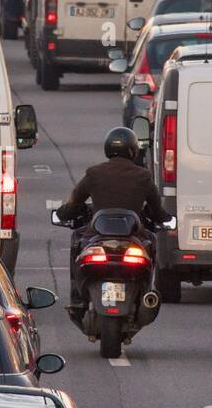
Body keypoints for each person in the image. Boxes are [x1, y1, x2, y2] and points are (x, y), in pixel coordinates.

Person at [58, 128, 165, 312]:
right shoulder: (143, 176)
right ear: (133, 149)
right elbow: (157, 211)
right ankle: (147, 290)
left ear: (108, 148)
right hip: (134, 236)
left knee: (77, 237)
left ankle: (77, 295)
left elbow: (74, 202)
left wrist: (64, 213)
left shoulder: (94, 173)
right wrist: (164, 218)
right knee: (152, 240)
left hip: (98, 235)